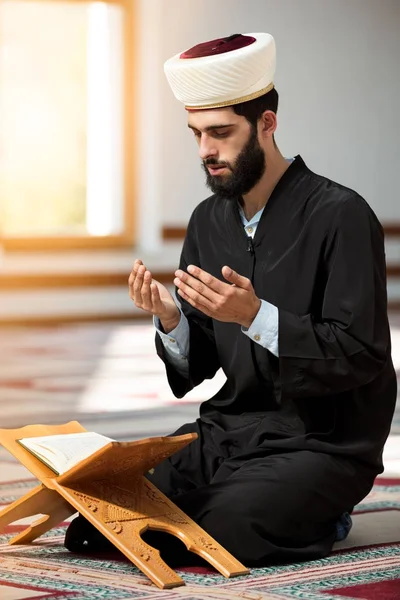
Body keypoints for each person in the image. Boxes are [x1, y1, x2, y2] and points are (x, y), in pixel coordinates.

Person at [65, 32, 397, 568]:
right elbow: (202, 361)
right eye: (196, 134)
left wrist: (256, 317)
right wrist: (172, 320)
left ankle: (318, 509)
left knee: (225, 529)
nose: (205, 152)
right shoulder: (209, 220)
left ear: (267, 124)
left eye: (220, 133)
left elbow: (360, 354)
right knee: (96, 515)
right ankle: (263, 505)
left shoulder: (341, 215)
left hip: (319, 442)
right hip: (228, 433)